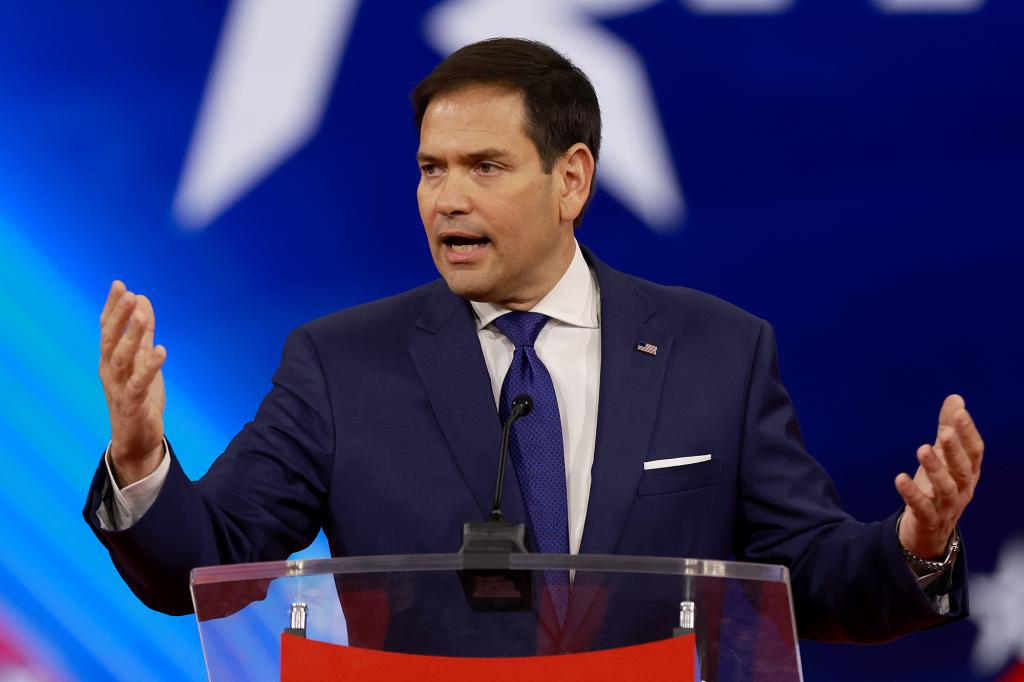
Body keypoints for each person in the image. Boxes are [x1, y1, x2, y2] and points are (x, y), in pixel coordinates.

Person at [85, 38, 984, 647]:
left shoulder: (719, 351)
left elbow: (812, 579)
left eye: (485, 167)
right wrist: (138, 455)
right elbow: (205, 569)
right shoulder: (340, 365)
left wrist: (917, 544)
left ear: (572, 181)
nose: (447, 199)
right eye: (431, 170)